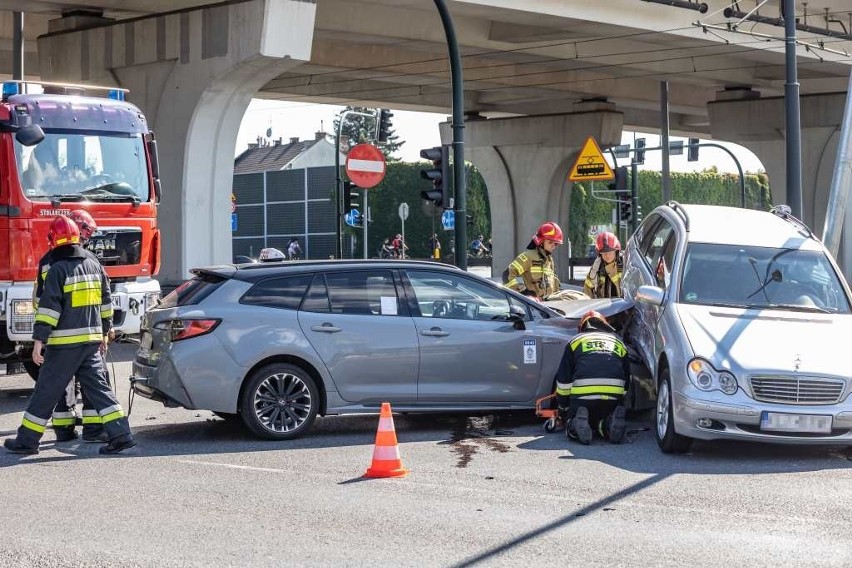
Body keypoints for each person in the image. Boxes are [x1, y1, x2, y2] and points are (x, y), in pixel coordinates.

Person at [4, 215, 135, 455]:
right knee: (100, 389)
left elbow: (48, 309)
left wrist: (38, 342)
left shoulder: (56, 268)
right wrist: (105, 332)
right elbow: (106, 303)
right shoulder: (94, 262)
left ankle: (27, 440)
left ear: (53, 239)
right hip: (91, 342)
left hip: (64, 344)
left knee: (46, 390)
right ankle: (121, 435)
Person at [33, 209, 110, 443]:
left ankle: (64, 431)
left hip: (60, 334)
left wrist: (42, 336)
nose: (87, 237)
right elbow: (102, 298)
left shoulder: (48, 262)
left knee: (60, 384)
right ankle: (94, 431)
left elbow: (41, 301)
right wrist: (104, 330)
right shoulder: (88, 260)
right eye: (85, 232)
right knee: (94, 383)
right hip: (85, 332)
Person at [554, 311, 629, 445]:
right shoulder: (618, 342)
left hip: (582, 399)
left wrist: (563, 406)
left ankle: (575, 424)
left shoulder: (576, 341)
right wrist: (620, 398)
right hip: (612, 398)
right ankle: (608, 425)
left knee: (572, 420)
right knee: (601, 421)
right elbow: (627, 376)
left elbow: (564, 378)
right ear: (605, 325)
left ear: (582, 327)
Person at [504, 221, 563, 300]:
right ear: (541, 241)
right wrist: (524, 293)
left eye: (555, 244)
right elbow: (507, 274)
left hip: (549, 306)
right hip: (533, 307)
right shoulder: (528, 256)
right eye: (550, 242)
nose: (553, 246)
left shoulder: (549, 260)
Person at [584, 231, 623, 299]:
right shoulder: (596, 268)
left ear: (616, 251)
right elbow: (587, 292)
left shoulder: (626, 265)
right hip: (602, 308)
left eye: (610, 252)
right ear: (600, 254)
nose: (607, 255)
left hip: (624, 307)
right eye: (604, 253)